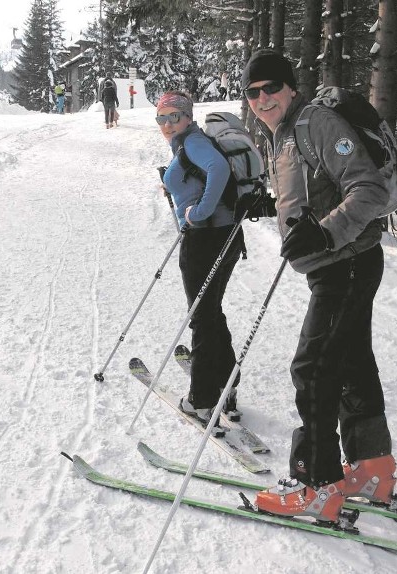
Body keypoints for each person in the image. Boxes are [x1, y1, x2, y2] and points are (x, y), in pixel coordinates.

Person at [238, 49, 397, 525]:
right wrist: (273, 207)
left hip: (345, 263)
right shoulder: (285, 134)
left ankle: (316, 484)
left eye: (271, 88)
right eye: (253, 92)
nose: (262, 98)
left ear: (290, 87)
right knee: (350, 362)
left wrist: (325, 232)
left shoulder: (314, 124)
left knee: (313, 369)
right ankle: (371, 469)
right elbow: (315, 190)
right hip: (341, 263)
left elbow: (366, 191)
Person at [156, 90, 244, 428]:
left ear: (188, 117)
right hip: (224, 237)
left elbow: (218, 168)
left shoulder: (192, 141)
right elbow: (204, 174)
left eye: (173, 116)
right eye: (161, 118)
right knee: (209, 311)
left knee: (201, 317)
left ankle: (203, 399)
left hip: (206, 239)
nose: (167, 124)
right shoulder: (187, 144)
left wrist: (198, 212)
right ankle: (226, 385)